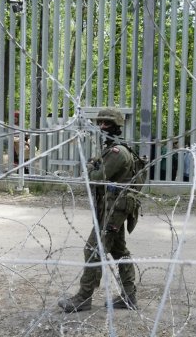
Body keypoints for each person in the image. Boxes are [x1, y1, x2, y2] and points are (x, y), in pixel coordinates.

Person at [58, 107, 139, 313]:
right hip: (112, 207)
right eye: (100, 123)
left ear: (116, 126)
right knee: (119, 250)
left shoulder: (117, 152)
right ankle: (129, 296)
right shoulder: (111, 149)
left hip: (114, 209)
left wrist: (92, 168)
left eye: (107, 123)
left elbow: (95, 177)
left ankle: (84, 297)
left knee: (93, 249)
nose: (102, 126)